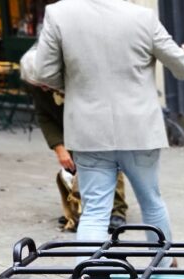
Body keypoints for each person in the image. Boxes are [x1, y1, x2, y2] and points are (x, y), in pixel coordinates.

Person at [33, 0, 184, 251]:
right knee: (152, 203)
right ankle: (164, 271)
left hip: (89, 129)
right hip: (139, 129)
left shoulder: (58, 13)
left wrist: (76, 85)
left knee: (94, 213)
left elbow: (44, 73)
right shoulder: (143, 17)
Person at [22, 67, 129, 232]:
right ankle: (78, 208)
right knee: (72, 169)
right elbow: (44, 116)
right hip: (67, 128)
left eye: (45, 84)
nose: (43, 89)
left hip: (98, 121)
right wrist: (59, 148)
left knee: (108, 162)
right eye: (38, 86)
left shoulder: (77, 79)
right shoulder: (37, 86)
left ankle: (117, 210)